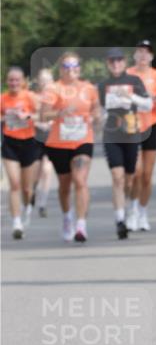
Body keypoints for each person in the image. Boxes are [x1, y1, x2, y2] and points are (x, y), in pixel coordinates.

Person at [42, 52, 101, 243]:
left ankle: (81, 225)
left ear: (79, 69)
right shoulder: (53, 88)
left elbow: (96, 109)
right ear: (60, 70)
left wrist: (96, 116)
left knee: (80, 180)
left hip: (83, 139)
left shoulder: (89, 88)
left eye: (74, 66)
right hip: (59, 142)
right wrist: (60, 112)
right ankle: (67, 217)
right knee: (64, 186)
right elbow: (44, 115)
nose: (71, 70)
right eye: (66, 66)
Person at [98, 48, 152, 240]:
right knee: (117, 176)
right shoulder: (102, 85)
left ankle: (131, 208)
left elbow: (148, 105)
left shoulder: (134, 81)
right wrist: (100, 117)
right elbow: (100, 110)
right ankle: (120, 219)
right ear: (107, 63)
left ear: (124, 62)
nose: (115, 64)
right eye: (112, 61)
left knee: (130, 178)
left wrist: (129, 97)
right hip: (111, 134)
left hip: (131, 133)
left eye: (119, 60)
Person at [127, 40, 156, 232]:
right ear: (135, 55)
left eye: (147, 52)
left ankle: (143, 212)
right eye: (140, 51)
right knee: (136, 172)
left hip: (152, 124)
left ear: (151, 56)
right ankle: (132, 210)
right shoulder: (127, 75)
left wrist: (154, 101)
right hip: (132, 125)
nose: (143, 55)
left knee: (147, 175)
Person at [1, 67, 40, 239]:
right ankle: (16, 222)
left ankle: (26, 206)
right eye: (11, 80)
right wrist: (6, 117)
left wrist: (27, 116)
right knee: (14, 184)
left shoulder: (30, 97)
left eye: (17, 80)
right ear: (6, 82)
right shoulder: (3, 99)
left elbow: (43, 116)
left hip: (29, 143)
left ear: (23, 81)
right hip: (10, 143)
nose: (14, 83)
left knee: (26, 189)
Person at [32, 68, 55, 218]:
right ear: (38, 82)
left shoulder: (57, 98)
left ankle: (43, 203)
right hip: (34, 136)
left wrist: (52, 122)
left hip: (51, 136)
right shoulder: (34, 97)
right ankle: (32, 190)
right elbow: (28, 115)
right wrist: (38, 123)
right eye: (43, 80)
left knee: (47, 169)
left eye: (48, 80)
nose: (45, 83)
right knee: (36, 172)